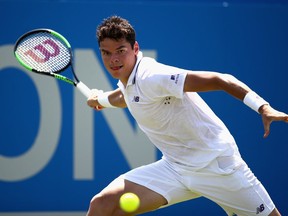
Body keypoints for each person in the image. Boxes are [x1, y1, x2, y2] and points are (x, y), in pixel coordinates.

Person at [86, 15, 287, 216]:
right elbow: (126, 96)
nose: (114, 59)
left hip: (216, 166)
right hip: (175, 168)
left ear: (135, 49)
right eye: (106, 53)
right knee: (104, 205)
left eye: (120, 51)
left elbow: (220, 80)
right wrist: (101, 100)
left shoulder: (152, 76)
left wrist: (262, 107)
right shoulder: (130, 79)